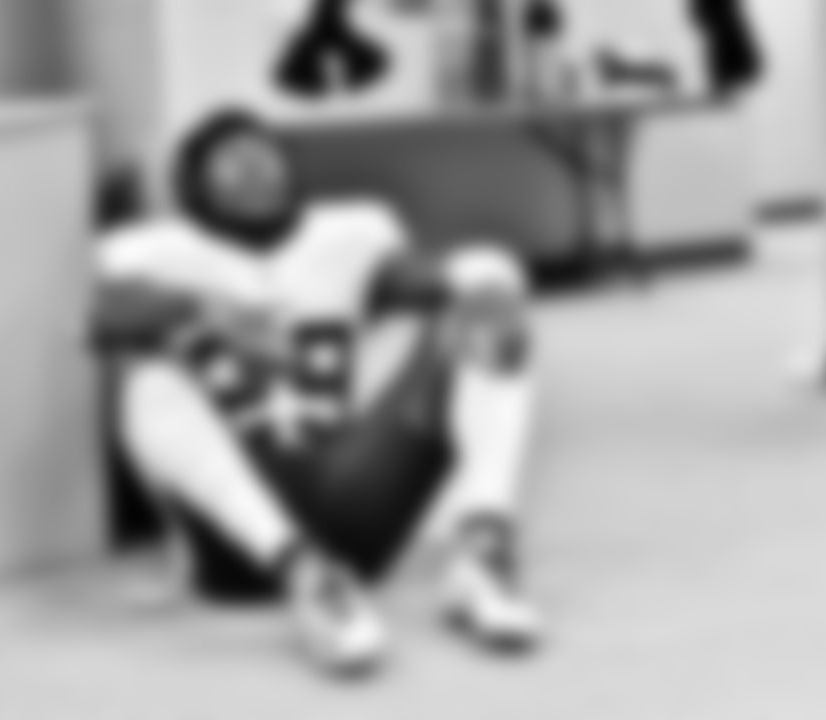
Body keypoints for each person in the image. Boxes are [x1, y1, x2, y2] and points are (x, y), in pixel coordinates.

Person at [92, 108, 544, 679]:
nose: (255, 173)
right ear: (194, 185)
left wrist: (479, 278)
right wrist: (202, 310)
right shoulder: (150, 252)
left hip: (352, 498)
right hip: (238, 543)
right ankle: (307, 576)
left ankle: (482, 551)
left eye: (264, 157)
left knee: (485, 315)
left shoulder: (348, 233)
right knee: (152, 380)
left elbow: (412, 277)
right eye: (233, 164)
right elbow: (98, 318)